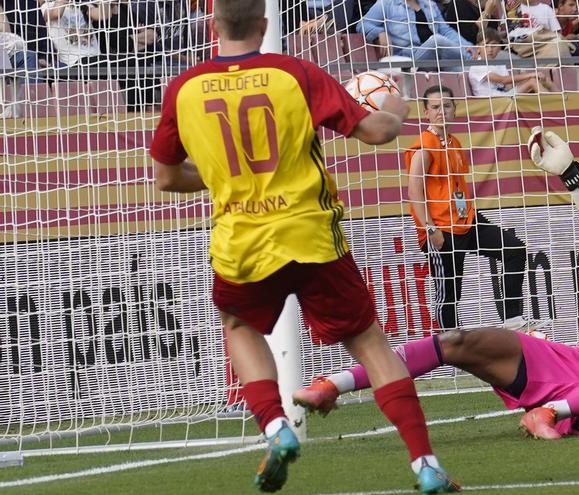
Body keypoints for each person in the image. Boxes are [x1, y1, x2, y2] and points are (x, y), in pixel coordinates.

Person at [148, 1, 458, 492]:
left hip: (243, 243)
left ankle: (275, 427)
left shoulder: (184, 88)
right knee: (370, 343)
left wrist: (228, 179)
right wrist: (397, 108)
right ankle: (425, 464)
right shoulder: (293, 72)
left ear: (212, 25)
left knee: (240, 325)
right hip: (312, 236)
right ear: (266, 24)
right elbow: (376, 132)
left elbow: (166, 179)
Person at [295, 128, 579, 440]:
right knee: (459, 339)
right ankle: (332, 384)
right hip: (569, 364)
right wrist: (572, 176)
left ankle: (551, 414)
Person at [404, 85, 532, 331]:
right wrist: (431, 230)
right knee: (450, 293)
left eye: (447, 105)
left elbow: (457, 187)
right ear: (426, 113)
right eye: (435, 107)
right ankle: (450, 346)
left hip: (465, 222)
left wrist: (464, 215)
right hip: (440, 229)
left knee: (514, 249)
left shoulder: (454, 143)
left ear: (455, 109)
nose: (442, 111)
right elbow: (414, 193)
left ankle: (513, 320)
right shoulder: (423, 147)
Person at [357, 0, 473, 64]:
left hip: (436, 57)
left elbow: (446, 31)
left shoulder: (429, 5)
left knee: (461, 67)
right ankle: (472, 58)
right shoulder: (386, 4)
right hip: (411, 58)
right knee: (436, 41)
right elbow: (362, 24)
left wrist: (469, 47)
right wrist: (380, 32)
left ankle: (474, 62)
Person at [468, 28, 553, 96]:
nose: (490, 49)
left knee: (543, 81)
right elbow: (503, 80)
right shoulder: (477, 66)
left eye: (493, 45)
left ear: (499, 48)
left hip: (504, 96)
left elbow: (508, 87)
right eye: (486, 46)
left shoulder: (499, 65)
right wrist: (531, 75)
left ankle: (562, 104)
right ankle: (555, 109)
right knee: (532, 82)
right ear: (478, 48)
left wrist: (528, 81)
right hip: (491, 102)